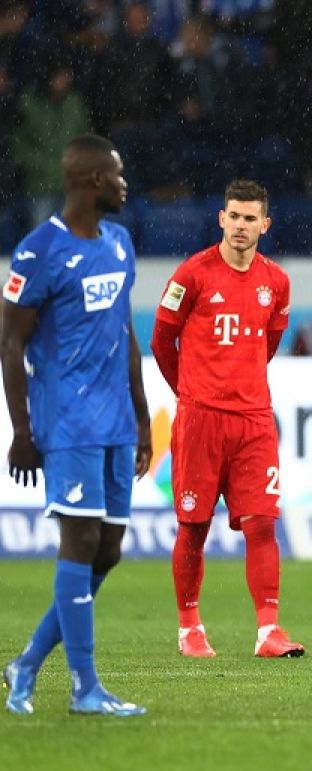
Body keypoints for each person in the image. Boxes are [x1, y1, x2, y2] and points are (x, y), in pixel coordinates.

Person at [2, 134, 151, 716]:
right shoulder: (40, 250)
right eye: (117, 174)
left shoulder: (119, 243)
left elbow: (127, 336)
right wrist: (21, 430)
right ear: (93, 182)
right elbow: (10, 344)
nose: (124, 183)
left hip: (116, 419)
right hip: (66, 418)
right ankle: (84, 687)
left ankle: (28, 662)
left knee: (108, 550)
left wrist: (141, 416)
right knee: (80, 539)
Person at [151, 180, 303, 660]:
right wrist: (190, 392)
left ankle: (268, 632)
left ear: (265, 224)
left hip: (254, 421)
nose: (240, 226)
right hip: (201, 420)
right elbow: (161, 342)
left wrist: (243, 386)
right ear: (221, 219)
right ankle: (190, 627)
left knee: (263, 523)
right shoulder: (192, 275)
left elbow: (269, 344)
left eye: (249, 218)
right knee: (194, 526)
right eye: (233, 216)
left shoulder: (276, 282)